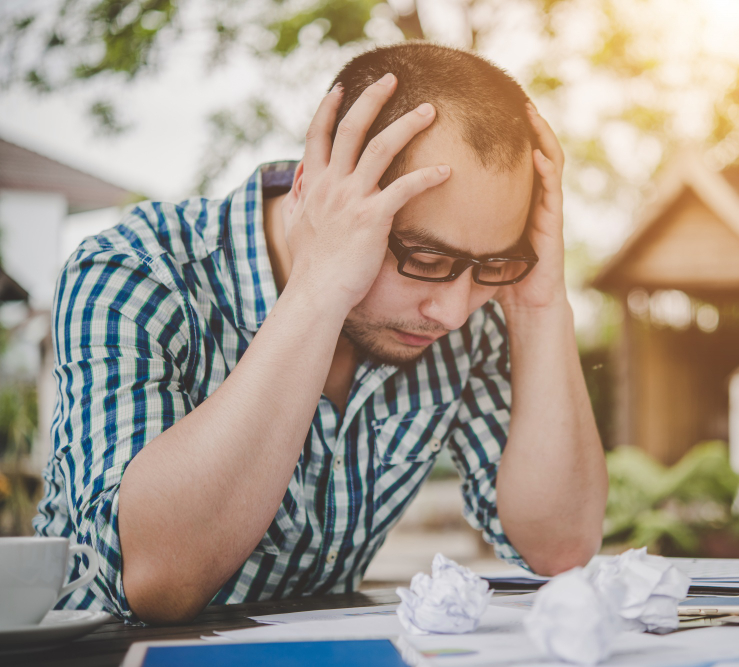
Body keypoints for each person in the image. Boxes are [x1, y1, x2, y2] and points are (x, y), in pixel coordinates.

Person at [33, 42, 607, 624]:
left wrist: (539, 307)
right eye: (427, 261)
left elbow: (558, 548)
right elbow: (154, 579)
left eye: (491, 267)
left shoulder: (463, 314)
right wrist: (319, 287)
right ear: (315, 189)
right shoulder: (134, 272)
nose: (454, 312)